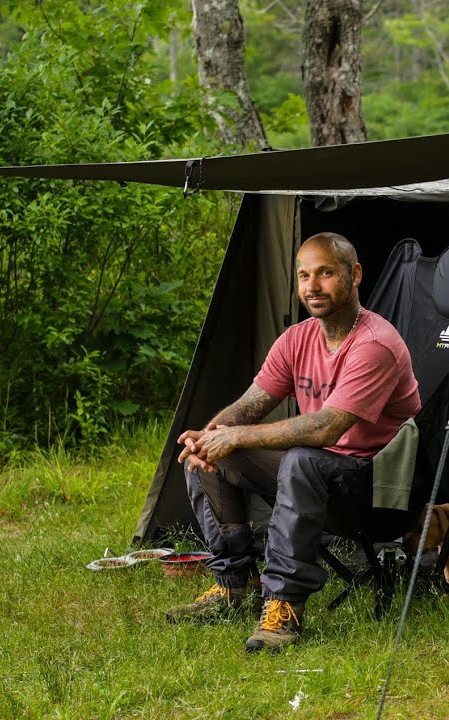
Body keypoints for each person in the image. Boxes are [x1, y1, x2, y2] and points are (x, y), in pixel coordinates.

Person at [168, 232, 420, 653]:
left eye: (325, 273)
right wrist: (211, 435)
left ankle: (283, 606)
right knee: (207, 452)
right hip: (317, 476)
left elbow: (327, 429)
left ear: (354, 275)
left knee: (302, 459)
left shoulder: (375, 344)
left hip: (375, 492)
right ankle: (233, 584)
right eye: (304, 275)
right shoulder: (297, 338)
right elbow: (250, 406)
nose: (312, 287)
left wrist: (235, 437)